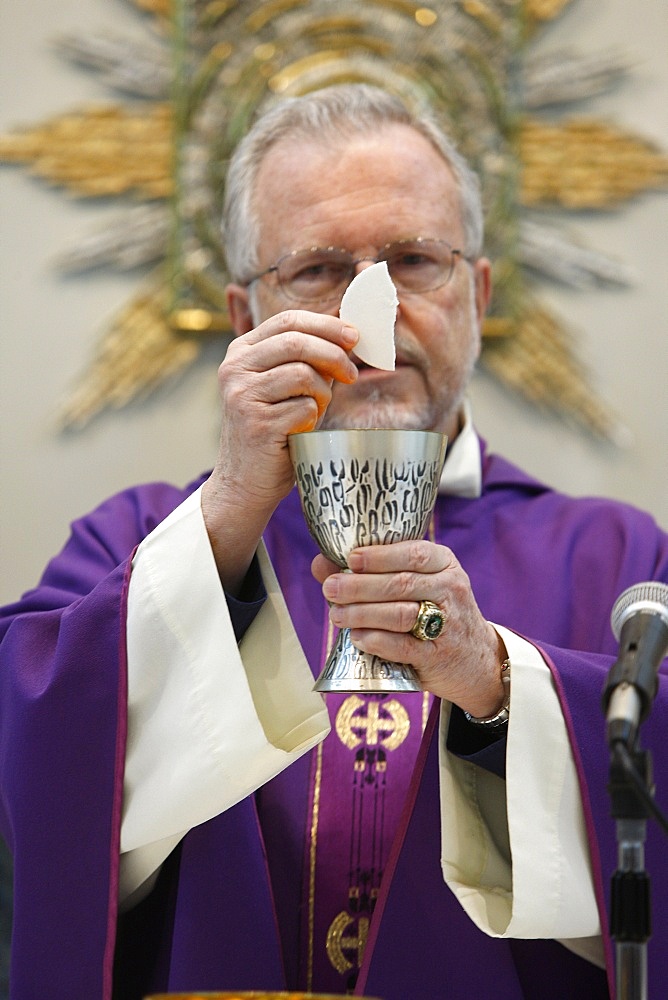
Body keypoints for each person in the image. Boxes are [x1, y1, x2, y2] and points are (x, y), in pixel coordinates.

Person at [1, 84, 667, 1000]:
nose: (373, 315)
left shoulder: (614, 557)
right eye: (319, 270)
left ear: (476, 294)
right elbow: (33, 760)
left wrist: (498, 685)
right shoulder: (135, 537)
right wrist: (229, 513)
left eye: (413, 260)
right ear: (245, 317)